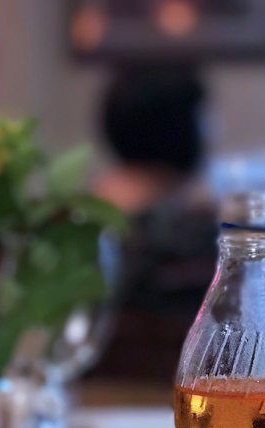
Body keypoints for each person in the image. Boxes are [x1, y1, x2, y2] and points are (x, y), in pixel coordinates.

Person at [92, 66, 218, 379]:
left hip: (83, 404)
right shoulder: (198, 243)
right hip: (187, 408)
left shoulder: (72, 226)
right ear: (189, 128)